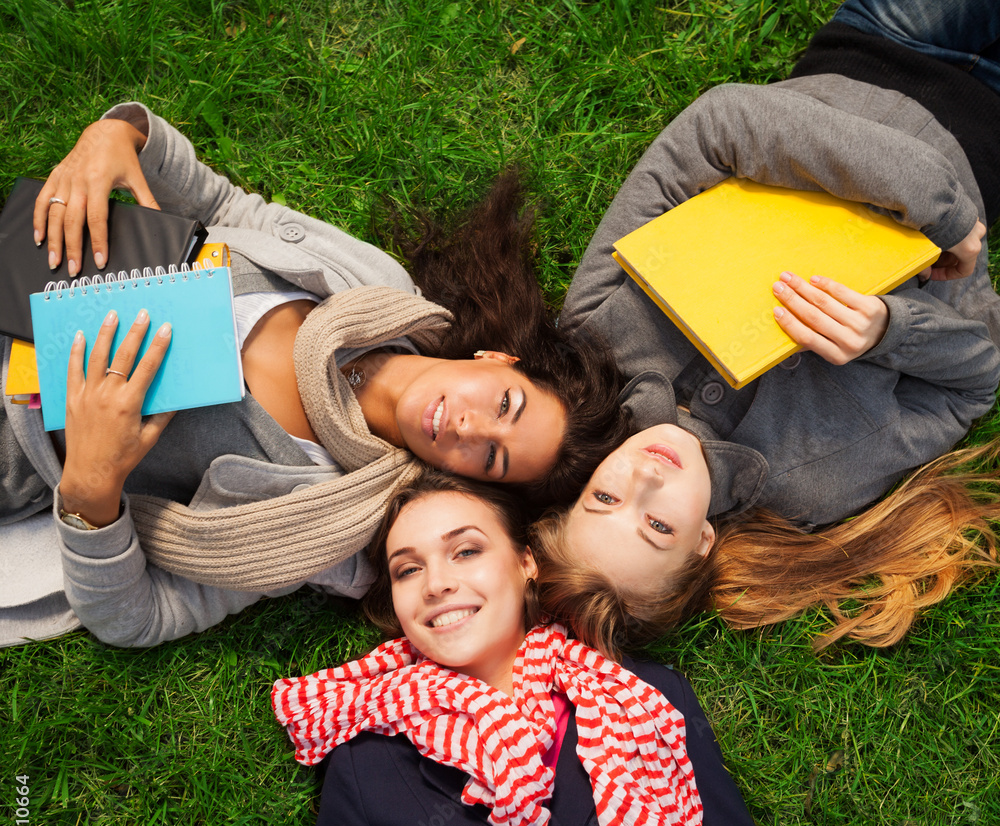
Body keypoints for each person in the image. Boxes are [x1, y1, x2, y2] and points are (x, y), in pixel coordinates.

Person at [0, 107, 630, 648]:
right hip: (25, 271)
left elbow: (138, 619)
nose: (469, 427)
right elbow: (226, 208)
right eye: (505, 406)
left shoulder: (320, 517)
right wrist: (124, 135)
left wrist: (90, 486)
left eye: (490, 458)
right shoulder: (373, 284)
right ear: (496, 361)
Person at [531, 0, 1000, 655]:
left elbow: (719, 125)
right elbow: (973, 384)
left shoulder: (592, 342)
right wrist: (890, 331)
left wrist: (939, 210)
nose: (644, 479)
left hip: (882, 38)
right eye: (658, 526)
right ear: (701, 543)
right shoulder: (811, 484)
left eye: (605, 498)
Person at [271, 471, 796, 826]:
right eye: (408, 569)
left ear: (527, 563)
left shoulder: (646, 699)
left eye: (466, 551)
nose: (435, 584)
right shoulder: (368, 767)